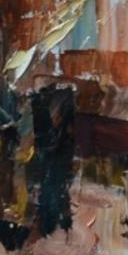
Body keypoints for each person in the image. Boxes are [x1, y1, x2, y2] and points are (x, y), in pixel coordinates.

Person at [28, 84, 76, 238]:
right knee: (50, 136)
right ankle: (39, 99)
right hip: (55, 165)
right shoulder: (50, 205)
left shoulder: (52, 205)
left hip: (55, 165)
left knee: (50, 136)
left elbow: (60, 195)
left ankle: (40, 99)